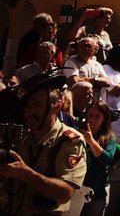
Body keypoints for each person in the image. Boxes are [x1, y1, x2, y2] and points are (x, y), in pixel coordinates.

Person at [0, 70, 87, 216]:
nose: (29, 113)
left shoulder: (70, 141)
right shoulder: (20, 136)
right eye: (27, 106)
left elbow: (65, 193)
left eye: (36, 105)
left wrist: (25, 173)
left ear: (56, 105)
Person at [79, 101, 119, 216]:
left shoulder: (109, 138)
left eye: (97, 116)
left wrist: (91, 141)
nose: (93, 119)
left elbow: (107, 159)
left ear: (104, 118)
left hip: (96, 194)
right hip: (78, 190)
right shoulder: (79, 133)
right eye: (90, 115)